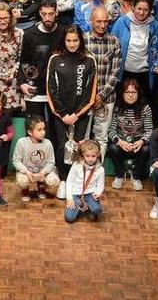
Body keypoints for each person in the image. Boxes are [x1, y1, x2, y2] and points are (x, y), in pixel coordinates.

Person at [47, 26, 98, 196]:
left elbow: (91, 92)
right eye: (68, 40)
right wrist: (62, 114)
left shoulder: (89, 60)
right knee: (62, 147)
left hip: (80, 113)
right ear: (64, 40)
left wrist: (77, 114)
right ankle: (63, 180)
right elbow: (51, 89)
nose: (72, 44)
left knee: (78, 147)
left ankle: (75, 182)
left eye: (75, 40)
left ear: (80, 41)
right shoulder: (55, 59)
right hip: (60, 114)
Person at [111, 0, 158, 104]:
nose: (141, 12)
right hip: (123, 73)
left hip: (144, 74)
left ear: (150, 11)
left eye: (145, 9)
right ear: (133, 7)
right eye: (139, 8)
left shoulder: (155, 25)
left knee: (142, 107)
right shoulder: (122, 22)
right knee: (122, 106)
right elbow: (112, 44)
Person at [18, 0, 65, 121]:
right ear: (39, 13)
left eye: (51, 14)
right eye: (44, 14)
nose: (47, 18)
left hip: (57, 91)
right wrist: (22, 82)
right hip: (34, 89)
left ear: (57, 13)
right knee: (34, 130)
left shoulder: (64, 32)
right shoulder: (29, 34)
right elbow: (24, 60)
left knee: (56, 132)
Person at [85, 7, 122, 159]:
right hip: (85, 99)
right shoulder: (83, 40)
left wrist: (101, 96)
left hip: (106, 99)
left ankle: (97, 171)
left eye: (105, 21)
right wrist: (91, 96)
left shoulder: (114, 42)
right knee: (84, 136)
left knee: (101, 137)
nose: (102, 25)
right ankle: (82, 170)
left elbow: (115, 73)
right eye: (99, 21)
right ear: (91, 21)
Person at [107, 78, 153, 191]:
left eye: (134, 92)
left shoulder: (145, 108)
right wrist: (119, 141)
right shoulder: (117, 107)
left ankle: (136, 176)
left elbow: (149, 130)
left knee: (147, 149)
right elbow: (111, 130)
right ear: (122, 93)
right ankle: (120, 175)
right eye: (127, 92)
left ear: (138, 93)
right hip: (122, 145)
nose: (130, 95)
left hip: (138, 146)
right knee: (112, 147)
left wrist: (141, 141)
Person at [13, 116, 61, 202]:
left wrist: (44, 172)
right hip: (27, 172)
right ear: (30, 132)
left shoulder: (48, 143)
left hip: (42, 172)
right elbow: (16, 161)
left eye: (44, 129)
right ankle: (25, 190)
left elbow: (51, 162)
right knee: (23, 181)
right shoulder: (21, 142)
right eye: (39, 130)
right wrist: (26, 171)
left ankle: (41, 187)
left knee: (54, 181)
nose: (43, 132)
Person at [63, 139, 104, 223]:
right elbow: (69, 182)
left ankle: (87, 206)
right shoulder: (76, 165)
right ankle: (81, 207)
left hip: (90, 194)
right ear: (83, 155)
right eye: (87, 156)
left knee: (97, 210)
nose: (90, 159)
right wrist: (69, 199)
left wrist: (98, 192)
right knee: (69, 218)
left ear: (98, 155)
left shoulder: (100, 169)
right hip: (76, 194)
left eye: (93, 156)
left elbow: (100, 184)